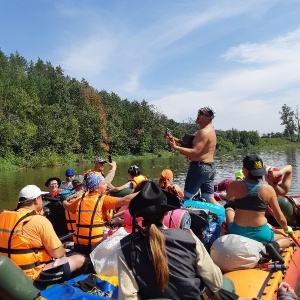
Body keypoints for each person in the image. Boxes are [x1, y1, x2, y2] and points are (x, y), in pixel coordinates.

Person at [118, 181, 223, 299]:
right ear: (167, 212)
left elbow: (127, 297)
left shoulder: (126, 247)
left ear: (140, 215)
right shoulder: (189, 238)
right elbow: (216, 283)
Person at [0, 185, 87, 288]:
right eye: (41, 198)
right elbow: (58, 253)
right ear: (36, 200)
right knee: (81, 259)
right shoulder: (39, 221)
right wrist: (63, 251)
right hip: (31, 275)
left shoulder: (3, 216)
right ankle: (66, 290)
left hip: (7, 272)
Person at [225, 155, 292, 249]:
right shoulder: (268, 189)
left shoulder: (234, 185)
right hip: (261, 234)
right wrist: (286, 229)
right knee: (286, 239)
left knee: (228, 209)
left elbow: (229, 200)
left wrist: (239, 180)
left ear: (245, 170)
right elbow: (279, 217)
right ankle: (275, 246)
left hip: (237, 232)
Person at [72, 173, 136, 255]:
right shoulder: (103, 199)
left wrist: (64, 203)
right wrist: (143, 192)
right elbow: (124, 200)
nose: (107, 185)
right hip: (96, 244)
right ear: (96, 188)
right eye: (104, 184)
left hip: (78, 245)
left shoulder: (80, 199)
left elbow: (68, 207)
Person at [167, 106, 219, 205]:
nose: (198, 114)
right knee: (209, 198)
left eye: (201, 113)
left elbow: (194, 152)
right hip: (210, 167)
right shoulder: (211, 130)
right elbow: (197, 150)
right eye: (199, 112)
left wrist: (175, 147)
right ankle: (225, 216)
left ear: (209, 118)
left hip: (199, 168)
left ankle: (186, 219)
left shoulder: (203, 132)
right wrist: (178, 142)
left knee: (187, 198)